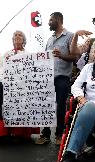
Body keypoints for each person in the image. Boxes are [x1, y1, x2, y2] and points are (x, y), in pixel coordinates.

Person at [0, 30, 39, 140]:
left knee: (16, 109)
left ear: (24, 40)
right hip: (4, 83)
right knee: (1, 108)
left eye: (20, 35)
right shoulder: (7, 53)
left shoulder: (28, 54)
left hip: (19, 86)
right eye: (15, 35)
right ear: (12, 39)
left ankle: (16, 132)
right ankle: (3, 132)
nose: (17, 37)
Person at [35, 12, 77, 145]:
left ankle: (59, 134)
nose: (49, 22)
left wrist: (62, 55)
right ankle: (45, 134)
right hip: (47, 79)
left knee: (60, 107)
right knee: (46, 106)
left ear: (58, 20)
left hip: (62, 78)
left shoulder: (70, 36)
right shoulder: (49, 39)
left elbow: (75, 57)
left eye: (51, 20)